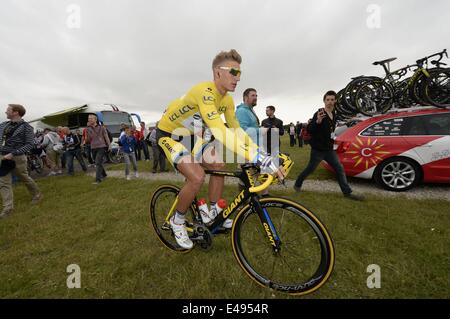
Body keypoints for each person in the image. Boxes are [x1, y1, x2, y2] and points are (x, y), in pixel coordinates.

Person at [156, 49, 284, 249]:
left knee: (218, 164)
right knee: (197, 177)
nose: (238, 78)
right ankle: (177, 220)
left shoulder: (227, 101)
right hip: (170, 134)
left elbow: (237, 131)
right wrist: (259, 158)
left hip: (190, 136)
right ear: (218, 73)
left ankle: (215, 212)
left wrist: (263, 154)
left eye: (240, 73)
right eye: (234, 72)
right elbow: (219, 130)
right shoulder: (204, 92)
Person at [293, 91, 364, 201]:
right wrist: (318, 121)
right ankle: (297, 184)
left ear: (335, 101)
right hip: (318, 149)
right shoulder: (320, 112)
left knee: (339, 168)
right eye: (327, 100)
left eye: (332, 99)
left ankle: (347, 193)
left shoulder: (334, 114)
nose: (330, 102)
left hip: (329, 149)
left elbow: (333, 129)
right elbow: (310, 129)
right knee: (310, 169)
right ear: (324, 101)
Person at [0, 104, 43, 218]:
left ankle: (37, 194)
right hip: (2, 157)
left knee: (24, 177)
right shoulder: (3, 125)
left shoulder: (27, 127)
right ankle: (8, 209)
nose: (5, 112)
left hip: (17, 157)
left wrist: (13, 153)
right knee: (3, 182)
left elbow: (30, 144)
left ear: (16, 112)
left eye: (8, 110)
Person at [85, 114, 111, 185]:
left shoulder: (102, 127)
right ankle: (104, 174)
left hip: (101, 146)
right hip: (93, 147)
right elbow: (89, 139)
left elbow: (106, 137)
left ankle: (98, 179)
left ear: (95, 119)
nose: (89, 120)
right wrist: (86, 139)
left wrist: (109, 145)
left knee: (98, 162)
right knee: (98, 162)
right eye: (88, 118)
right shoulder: (88, 128)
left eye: (91, 118)